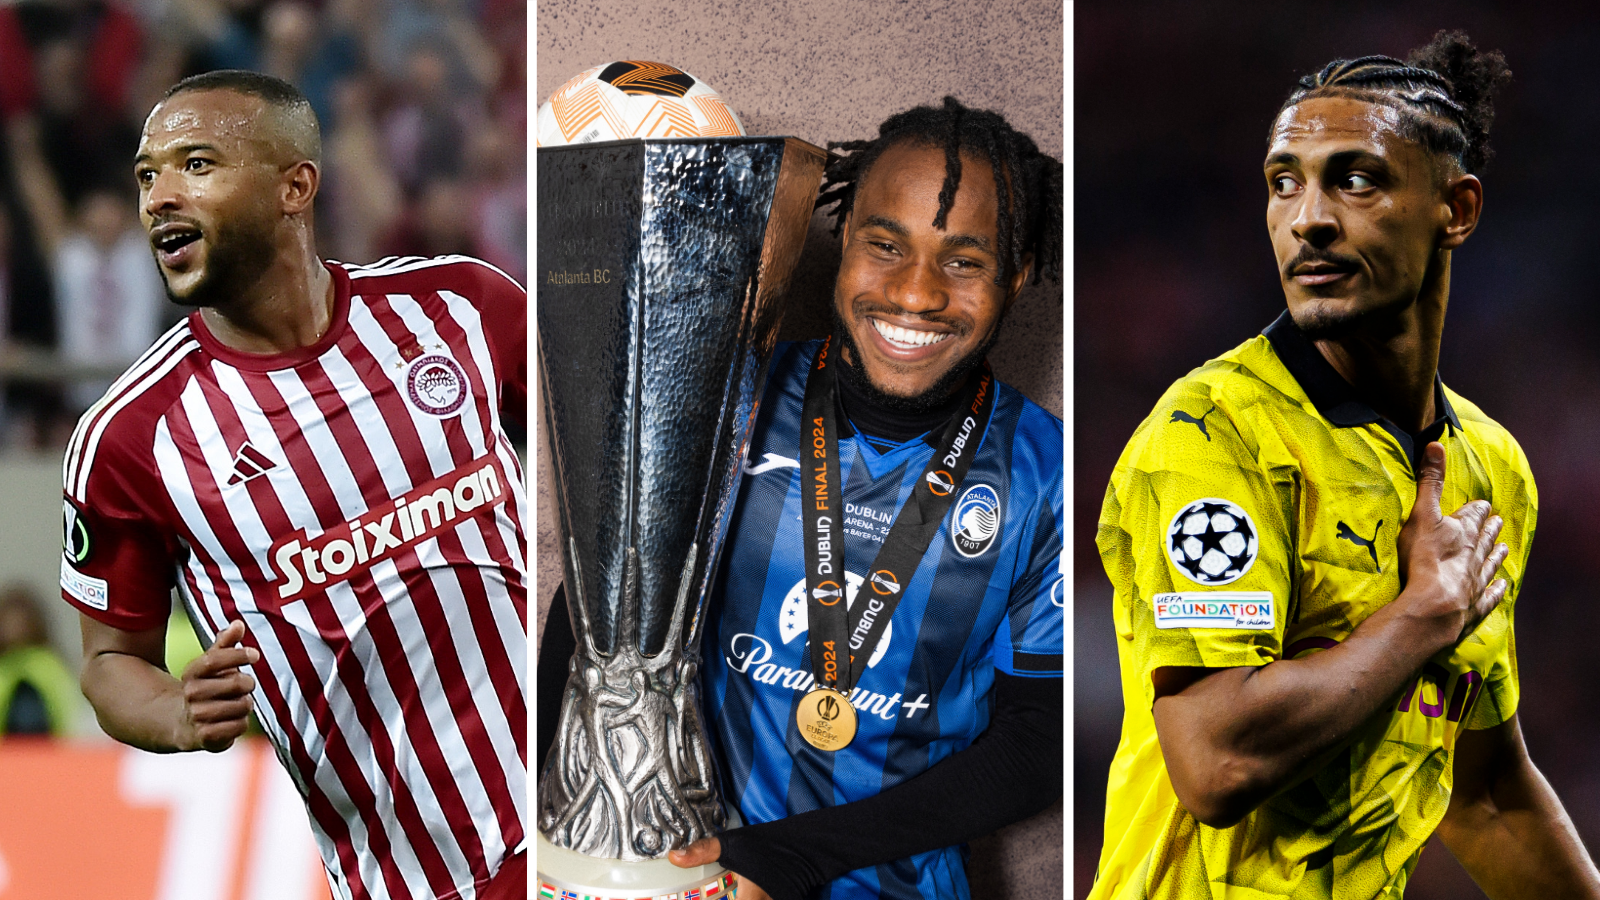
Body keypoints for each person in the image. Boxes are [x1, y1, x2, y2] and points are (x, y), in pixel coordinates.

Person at [1092, 32, 1600, 899]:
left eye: (1355, 178)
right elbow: (1215, 761)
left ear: (1457, 208)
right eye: (1284, 181)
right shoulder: (1214, 432)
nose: (1308, 217)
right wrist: (1418, 618)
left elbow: (1483, 794)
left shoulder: (1491, 467)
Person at [538, 96, 1064, 900]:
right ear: (842, 238)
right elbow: (596, 609)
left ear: (1018, 276)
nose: (917, 295)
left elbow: (1042, 738)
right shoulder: (721, 396)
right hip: (690, 877)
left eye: (964, 261)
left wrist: (803, 854)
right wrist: (549, 815)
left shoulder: (1048, 474)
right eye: (884, 245)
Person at [59, 70, 527, 900]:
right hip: (417, 878)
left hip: (596, 820)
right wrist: (170, 712)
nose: (160, 196)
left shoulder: (460, 307)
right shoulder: (129, 439)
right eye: (146, 175)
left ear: (294, 186)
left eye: (195, 164)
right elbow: (106, 661)